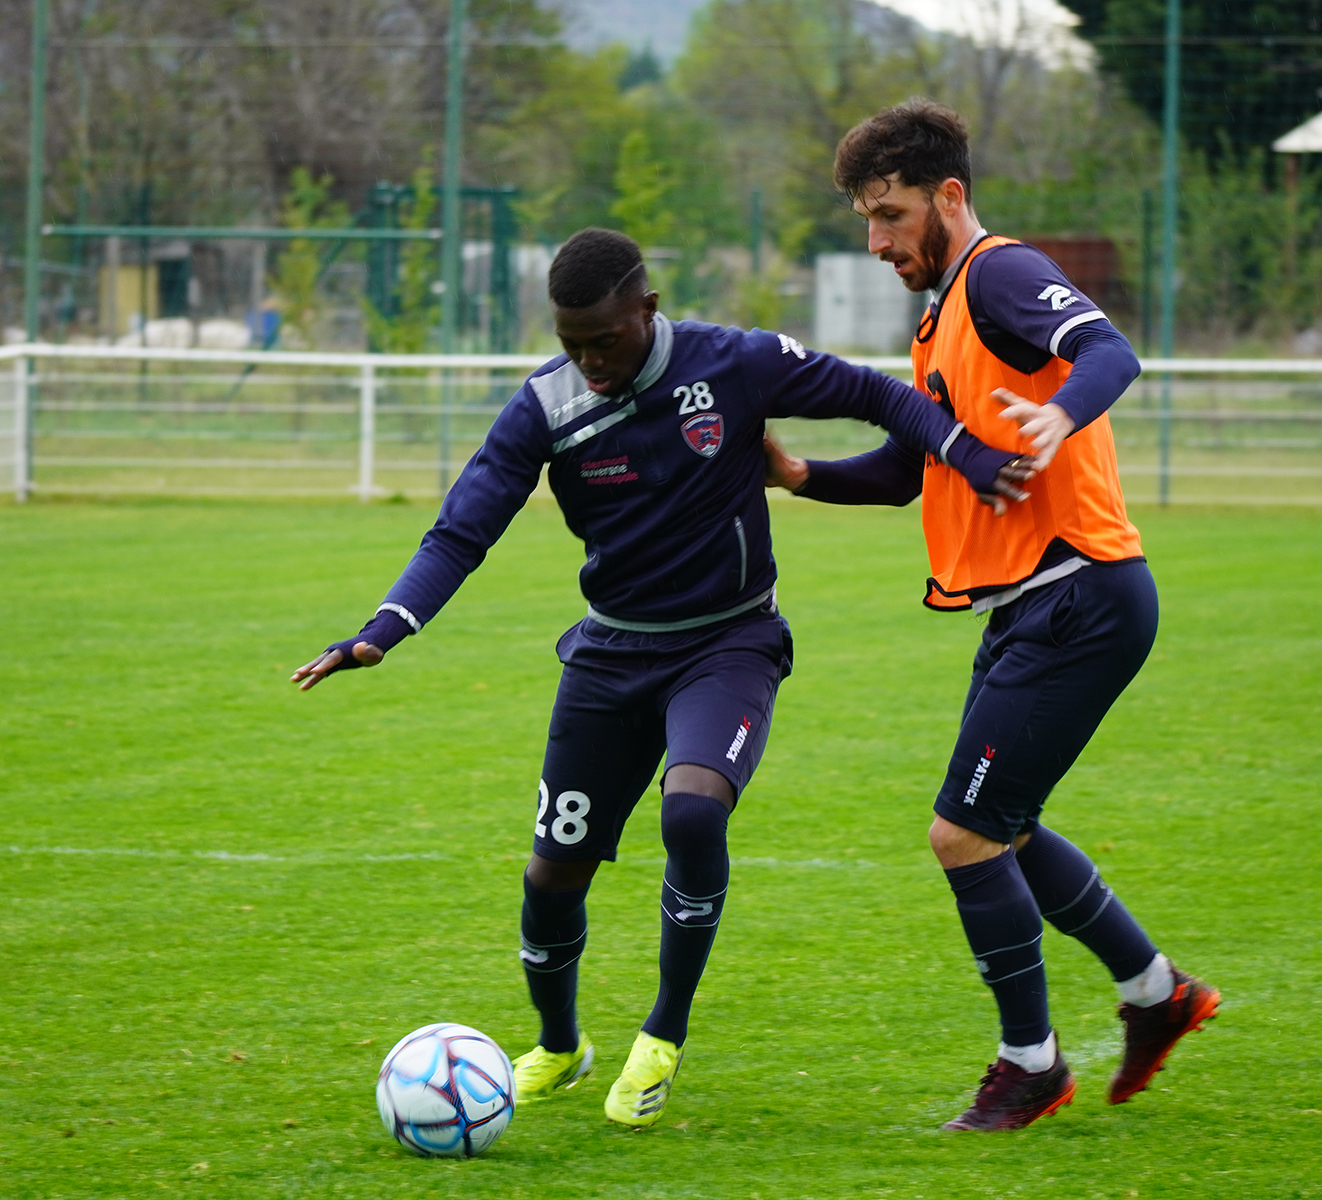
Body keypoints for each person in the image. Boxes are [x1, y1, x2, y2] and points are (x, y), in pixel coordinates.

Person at [292, 227, 1027, 1128]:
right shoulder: (546, 407)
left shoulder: (736, 364)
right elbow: (461, 530)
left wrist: (972, 456)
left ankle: (662, 1035)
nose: (589, 360)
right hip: (609, 655)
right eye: (571, 344)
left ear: (647, 309)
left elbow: (880, 395)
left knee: (692, 807)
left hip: (729, 644)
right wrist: (383, 631)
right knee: (552, 874)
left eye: (605, 339)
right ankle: (560, 1047)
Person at [764, 100, 1219, 1132]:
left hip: (1080, 596)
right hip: (1031, 609)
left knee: (963, 835)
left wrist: (1060, 413)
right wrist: (795, 474)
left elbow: (1109, 352)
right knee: (1000, 830)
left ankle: (1031, 1065)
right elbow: (902, 470)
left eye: (887, 215)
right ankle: (1158, 995)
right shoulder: (938, 318)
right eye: (865, 222)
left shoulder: (1002, 276)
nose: (874, 241)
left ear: (949, 197)